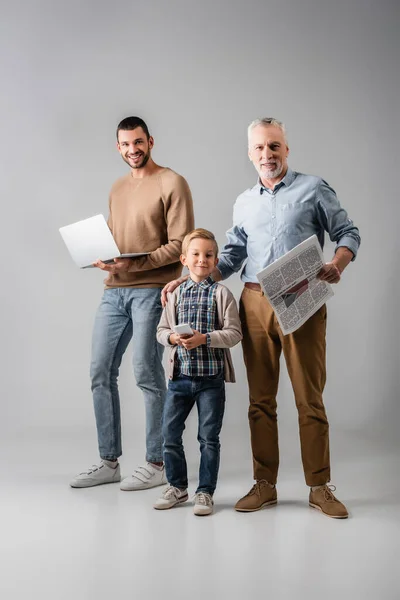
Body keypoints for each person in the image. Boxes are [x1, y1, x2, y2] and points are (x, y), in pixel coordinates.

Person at [162, 118, 360, 518]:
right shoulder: (243, 201)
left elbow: (348, 232)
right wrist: (189, 279)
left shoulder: (313, 188)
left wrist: (339, 262)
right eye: (259, 149)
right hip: (253, 303)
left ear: (286, 149)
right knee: (260, 401)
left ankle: (320, 486)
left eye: (274, 147)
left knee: (309, 398)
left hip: (302, 299)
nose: (266, 155)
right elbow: (231, 257)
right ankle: (264, 484)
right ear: (250, 154)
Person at [70, 116, 194, 490]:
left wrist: (137, 263)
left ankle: (157, 462)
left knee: (146, 373)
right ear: (118, 147)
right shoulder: (117, 187)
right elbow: (116, 236)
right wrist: (102, 256)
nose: (133, 150)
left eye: (138, 142)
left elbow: (181, 243)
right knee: (99, 372)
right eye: (125, 145)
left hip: (152, 288)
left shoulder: (172, 182)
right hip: (115, 289)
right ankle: (109, 461)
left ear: (150, 141)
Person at [154, 229, 242, 515]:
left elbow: (234, 333)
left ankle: (205, 492)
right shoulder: (175, 294)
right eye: (196, 254)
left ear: (216, 261)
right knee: (169, 435)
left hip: (210, 381)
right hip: (179, 379)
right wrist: (173, 339)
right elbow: (161, 331)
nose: (202, 260)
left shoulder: (222, 293)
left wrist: (205, 338)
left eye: (208, 255)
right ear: (184, 259)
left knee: (208, 438)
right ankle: (177, 488)